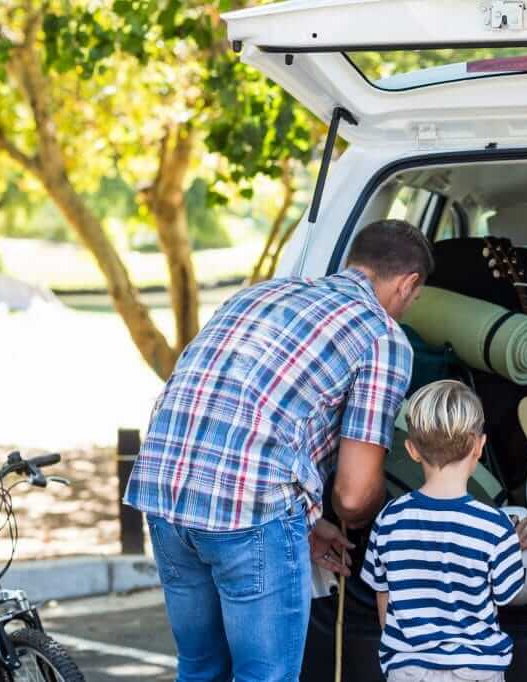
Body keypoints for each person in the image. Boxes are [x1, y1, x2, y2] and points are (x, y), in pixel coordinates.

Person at [124, 219, 434, 681]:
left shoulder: (261, 293)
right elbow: (352, 494)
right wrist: (385, 514)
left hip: (161, 490)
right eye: (415, 297)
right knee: (263, 675)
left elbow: (243, 416)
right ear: (409, 284)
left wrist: (310, 523)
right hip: (248, 513)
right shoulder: (381, 335)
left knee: (200, 665)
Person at [361, 380, 526, 681]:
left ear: (411, 449)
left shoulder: (390, 518)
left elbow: (381, 593)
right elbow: (507, 594)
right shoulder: (494, 526)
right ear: (479, 446)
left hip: (409, 668)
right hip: (477, 669)